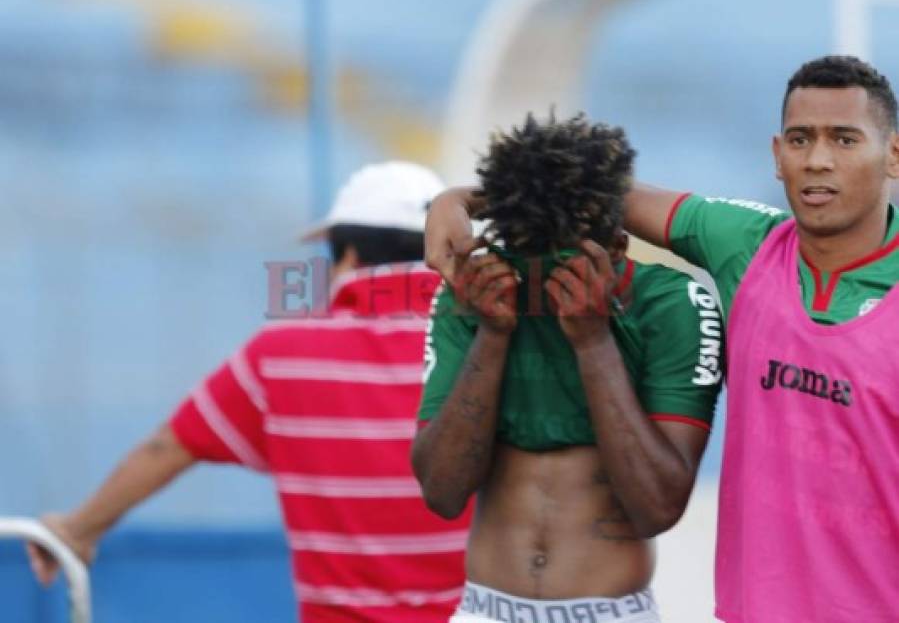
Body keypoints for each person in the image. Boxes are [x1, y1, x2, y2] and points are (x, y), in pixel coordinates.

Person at [425, 56, 899, 622]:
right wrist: (457, 201)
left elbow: (657, 505)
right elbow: (580, 186)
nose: (819, 160)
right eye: (801, 139)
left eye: (845, 140)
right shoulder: (745, 245)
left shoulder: (690, 294)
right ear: (778, 156)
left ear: (893, 153)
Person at [27, 161, 473, 623]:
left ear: (348, 255)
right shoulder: (485, 347)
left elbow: (168, 446)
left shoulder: (280, 354)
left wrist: (78, 529)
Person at [412, 113, 722, 623]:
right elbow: (442, 493)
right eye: (525, 258)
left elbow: (658, 507)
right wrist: (492, 336)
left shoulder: (673, 304)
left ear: (618, 246)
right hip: (482, 610)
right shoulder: (475, 292)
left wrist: (594, 343)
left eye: (562, 262)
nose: (541, 284)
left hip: (612, 611)